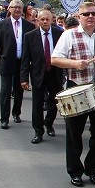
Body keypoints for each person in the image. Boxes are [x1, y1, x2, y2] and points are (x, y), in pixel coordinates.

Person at [51, 2, 95, 187]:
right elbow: (55, 59)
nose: (90, 17)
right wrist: (75, 64)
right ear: (79, 17)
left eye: (93, 13)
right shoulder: (69, 35)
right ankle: (75, 171)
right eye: (86, 14)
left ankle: (92, 169)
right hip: (76, 88)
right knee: (74, 132)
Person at [0, 0, 35, 129]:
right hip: (6, 62)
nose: (17, 9)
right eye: (15, 7)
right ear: (9, 9)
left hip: (22, 63)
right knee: (5, 91)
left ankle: (16, 113)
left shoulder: (29, 26)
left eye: (20, 7)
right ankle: (4, 118)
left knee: (19, 90)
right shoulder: (1, 24)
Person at [21, 9, 63, 144]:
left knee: (54, 102)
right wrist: (24, 78)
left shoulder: (59, 34)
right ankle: (38, 131)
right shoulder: (30, 36)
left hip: (55, 72)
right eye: (42, 19)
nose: (45, 21)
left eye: (47, 19)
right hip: (38, 73)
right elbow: (25, 59)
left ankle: (49, 123)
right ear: (37, 20)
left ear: (52, 20)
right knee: (37, 104)